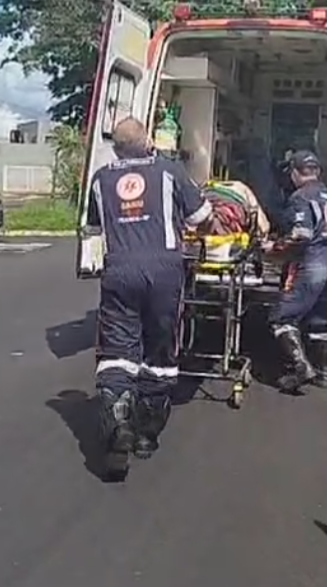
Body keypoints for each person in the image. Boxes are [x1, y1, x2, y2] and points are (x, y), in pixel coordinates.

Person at [85, 117, 212, 480]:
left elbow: (93, 228)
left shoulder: (101, 179)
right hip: (164, 273)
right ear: (149, 142)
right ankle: (146, 435)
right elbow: (202, 216)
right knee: (160, 350)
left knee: (117, 352)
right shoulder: (169, 171)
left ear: (116, 149)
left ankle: (117, 419)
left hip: (119, 271)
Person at [267, 150, 327, 392]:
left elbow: (301, 235)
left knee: (282, 318)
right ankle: (323, 372)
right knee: (320, 321)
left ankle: (301, 368)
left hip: (313, 261)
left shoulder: (300, 197)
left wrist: (274, 247)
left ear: (295, 173)